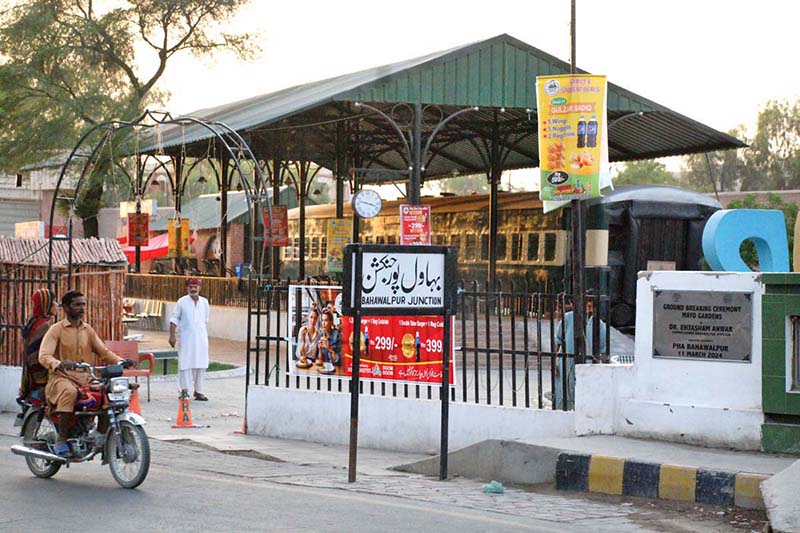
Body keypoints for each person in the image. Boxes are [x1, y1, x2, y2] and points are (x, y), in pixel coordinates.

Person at [38, 290, 130, 458]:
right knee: (70, 392)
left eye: (83, 304)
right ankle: (62, 439)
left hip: (86, 378)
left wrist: (120, 361)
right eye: (77, 304)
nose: (81, 308)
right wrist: (58, 364)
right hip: (61, 378)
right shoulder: (56, 330)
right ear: (65, 308)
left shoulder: (88, 330)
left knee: (107, 392)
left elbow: (103, 352)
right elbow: (44, 356)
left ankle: (100, 435)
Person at [553, 294, 607, 410]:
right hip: (566, 362)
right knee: (563, 393)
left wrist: (601, 368)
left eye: (589, 306)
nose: (587, 309)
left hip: (588, 364)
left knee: (584, 396)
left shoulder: (599, 325)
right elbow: (558, 341)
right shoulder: (568, 318)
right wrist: (554, 362)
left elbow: (603, 349)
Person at [169, 277, 210, 401]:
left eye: (195, 287)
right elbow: (174, 319)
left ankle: (199, 391)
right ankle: (184, 391)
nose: (193, 289)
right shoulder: (182, 302)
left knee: (201, 364)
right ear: (187, 288)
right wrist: (172, 335)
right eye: (190, 287)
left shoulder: (204, 302)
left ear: (199, 288)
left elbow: (205, 320)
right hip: (187, 339)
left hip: (201, 338)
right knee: (185, 364)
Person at [18, 288, 58, 402]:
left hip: (30, 376)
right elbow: (35, 356)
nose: (57, 305)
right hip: (40, 377)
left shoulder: (33, 321)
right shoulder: (44, 326)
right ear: (46, 305)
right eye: (54, 302)